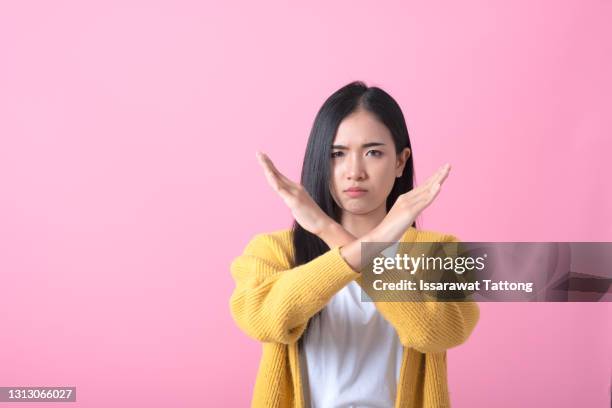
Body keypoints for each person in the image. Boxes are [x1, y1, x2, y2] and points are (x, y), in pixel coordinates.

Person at [229, 81, 480, 408]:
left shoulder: (439, 251)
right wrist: (353, 237)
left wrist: (330, 230)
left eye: (373, 152)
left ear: (401, 162)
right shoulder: (274, 250)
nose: (355, 172)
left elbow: (442, 331)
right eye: (337, 154)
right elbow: (260, 318)